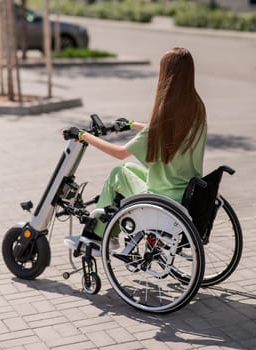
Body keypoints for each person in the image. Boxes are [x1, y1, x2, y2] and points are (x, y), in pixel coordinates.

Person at [63, 47, 207, 253]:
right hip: (186, 195)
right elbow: (169, 131)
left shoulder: (163, 120)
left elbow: (119, 152)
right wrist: (132, 125)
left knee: (118, 173)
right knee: (130, 168)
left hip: (163, 201)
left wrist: (82, 135)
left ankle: (98, 236)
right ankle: (108, 234)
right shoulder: (197, 110)